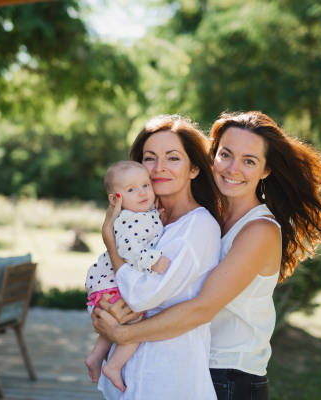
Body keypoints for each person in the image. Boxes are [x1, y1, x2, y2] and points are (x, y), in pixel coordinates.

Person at [92, 111, 321, 400]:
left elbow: (201, 309)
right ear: (213, 157)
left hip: (229, 377)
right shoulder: (210, 217)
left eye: (249, 161)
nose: (233, 169)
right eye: (226, 154)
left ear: (265, 171)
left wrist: (123, 335)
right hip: (194, 366)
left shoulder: (258, 230)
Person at [94, 115, 225, 400]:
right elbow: (114, 291)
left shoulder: (198, 227)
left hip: (167, 379)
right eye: (149, 158)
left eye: (173, 158)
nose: (158, 168)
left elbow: (141, 296)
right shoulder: (146, 222)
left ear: (193, 169)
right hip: (127, 380)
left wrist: (110, 243)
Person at [85, 160, 171, 391]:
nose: (142, 192)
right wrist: (152, 261)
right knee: (134, 324)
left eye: (145, 185)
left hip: (106, 282)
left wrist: (157, 215)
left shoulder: (141, 213)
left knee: (118, 321)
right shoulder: (129, 219)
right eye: (131, 190)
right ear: (115, 199)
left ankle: (95, 356)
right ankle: (113, 365)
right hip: (111, 283)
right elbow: (126, 249)